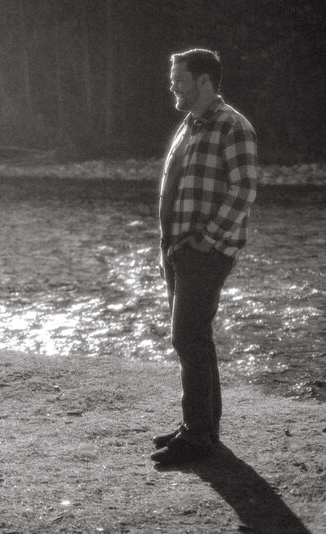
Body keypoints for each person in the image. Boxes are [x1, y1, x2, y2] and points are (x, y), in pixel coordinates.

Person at [151, 49, 258, 465]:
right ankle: (200, 427)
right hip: (179, 248)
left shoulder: (233, 126)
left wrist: (208, 239)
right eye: (172, 78)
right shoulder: (191, 124)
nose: (173, 85)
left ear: (204, 81)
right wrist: (169, 245)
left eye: (180, 78)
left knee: (187, 337)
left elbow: (244, 189)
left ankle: (197, 437)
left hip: (205, 250)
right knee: (196, 338)